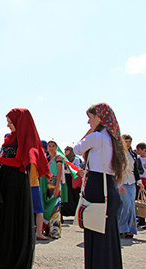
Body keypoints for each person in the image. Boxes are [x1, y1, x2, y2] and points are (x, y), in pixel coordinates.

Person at [0, 108, 50, 268]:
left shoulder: (25, 138)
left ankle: (12, 258)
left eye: (10, 122)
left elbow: (19, 162)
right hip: (7, 182)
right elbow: (8, 157)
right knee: (6, 219)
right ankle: (4, 256)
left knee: (13, 219)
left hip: (16, 184)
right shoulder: (13, 137)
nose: (8, 125)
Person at [73, 103, 126, 269]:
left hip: (97, 185)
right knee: (109, 236)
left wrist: (88, 133)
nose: (88, 123)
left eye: (90, 118)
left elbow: (76, 150)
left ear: (99, 117)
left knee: (95, 234)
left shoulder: (97, 137)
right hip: (110, 187)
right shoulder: (114, 139)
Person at [118, 134, 143, 239]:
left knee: (132, 206)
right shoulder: (118, 154)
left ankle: (130, 229)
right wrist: (118, 184)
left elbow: (136, 170)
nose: (128, 144)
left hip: (131, 181)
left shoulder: (132, 154)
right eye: (126, 141)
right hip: (122, 181)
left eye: (129, 142)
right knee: (126, 205)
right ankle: (121, 228)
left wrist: (139, 182)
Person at [41, 140, 65, 239]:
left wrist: (57, 187)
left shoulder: (58, 158)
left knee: (55, 208)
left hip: (55, 185)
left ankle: (55, 230)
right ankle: (48, 229)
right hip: (47, 185)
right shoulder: (47, 158)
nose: (51, 147)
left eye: (53, 146)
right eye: (49, 146)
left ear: (56, 147)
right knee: (48, 208)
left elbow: (59, 172)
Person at [136, 142, 146, 228]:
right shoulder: (138, 159)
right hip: (141, 181)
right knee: (141, 200)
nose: (138, 152)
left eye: (139, 150)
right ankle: (141, 219)